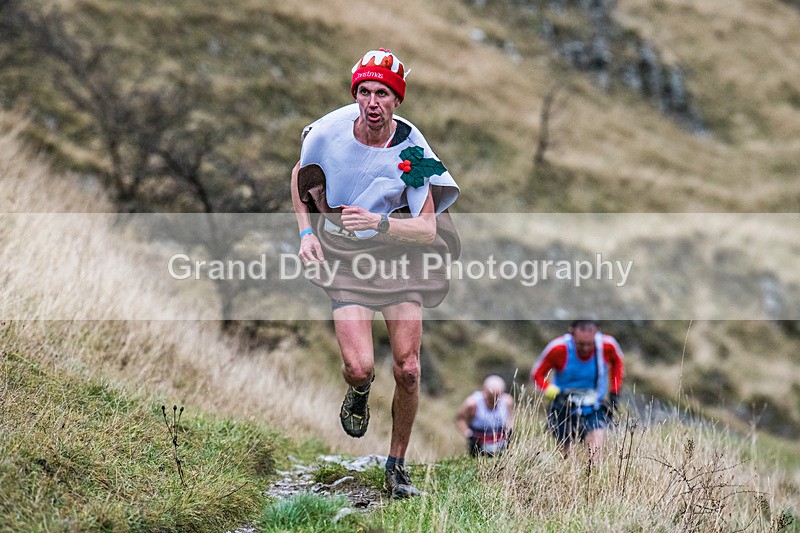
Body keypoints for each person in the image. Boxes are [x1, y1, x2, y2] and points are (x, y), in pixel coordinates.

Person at [291, 49, 460, 499]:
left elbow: (426, 228)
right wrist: (306, 232)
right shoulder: (326, 133)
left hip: (401, 258)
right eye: (364, 91)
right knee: (359, 365)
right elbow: (300, 176)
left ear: (396, 100)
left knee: (407, 368)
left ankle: (397, 466)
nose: (371, 102)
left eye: (382, 93)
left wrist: (380, 222)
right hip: (347, 259)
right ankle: (360, 390)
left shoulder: (413, 151)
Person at [530, 320, 624, 460]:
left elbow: (618, 363)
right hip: (564, 407)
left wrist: (614, 392)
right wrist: (553, 392)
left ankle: (592, 477)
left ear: (597, 334)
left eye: (589, 344)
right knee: (567, 459)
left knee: (595, 457)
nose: (586, 349)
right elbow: (537, 374)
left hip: (594, 407)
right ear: (572, 333)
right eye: (581, 344)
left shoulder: (607, 345)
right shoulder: (558, 348)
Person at [455, 375, 514, 457]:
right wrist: (468, 434)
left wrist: (509, 431)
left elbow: (510, 419)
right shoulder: (472, 403)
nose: (494, 400)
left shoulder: (507, 402)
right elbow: (459, 419)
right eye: (491, 397)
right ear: (484, 392)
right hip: (478, 444)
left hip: (500, 443)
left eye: (497, 397)